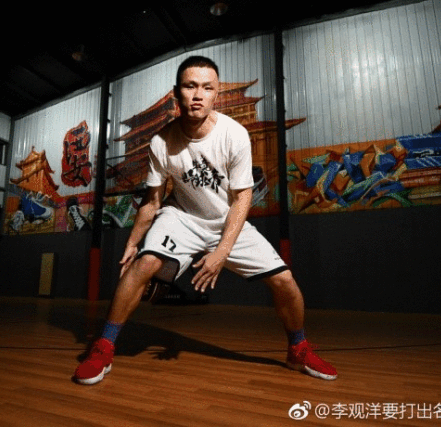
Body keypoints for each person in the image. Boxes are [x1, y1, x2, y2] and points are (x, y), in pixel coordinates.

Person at [73, 56, 337, 385]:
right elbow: (153, 201)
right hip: (182, 217)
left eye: (207, 88)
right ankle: (103, 347)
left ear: (216, 94)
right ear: (177, 93)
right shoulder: (161, 142)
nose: (198, 94)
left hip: (227, 219)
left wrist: (221, 252)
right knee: (144, 264)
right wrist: (132, 243)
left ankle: (298, 349)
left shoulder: (234, 134)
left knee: (285, 281)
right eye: (190, 86)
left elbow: (242, 198)